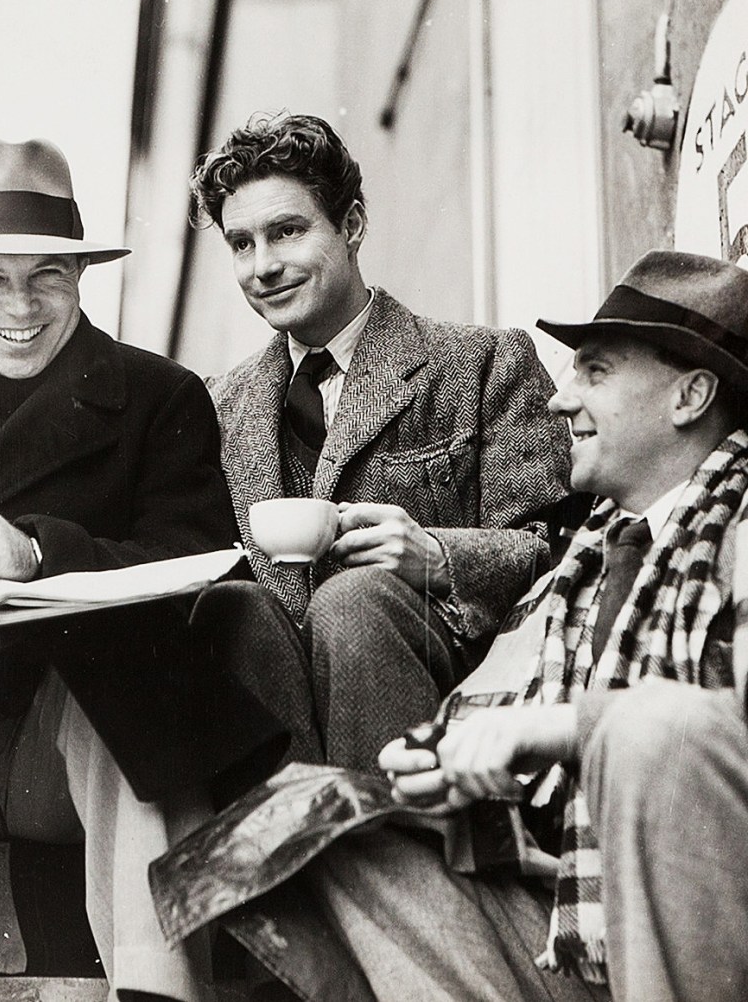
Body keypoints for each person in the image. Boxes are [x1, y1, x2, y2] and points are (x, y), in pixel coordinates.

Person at [210, 249, 748, 1002]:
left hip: (709, 926)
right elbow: (486, 705)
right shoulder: (588, 558)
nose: (563, 401)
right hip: (566, 920)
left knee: (646, 733)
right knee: (307, 833)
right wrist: (431, 755)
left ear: (690, 395)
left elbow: (709, 739)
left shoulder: (738, 531)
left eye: (595, 373)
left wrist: (567, 730)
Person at [0, 136, 286, 1002]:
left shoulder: (155, 396)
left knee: (123, 660)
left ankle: (154, 987)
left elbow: (200, 561)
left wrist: (36, 551)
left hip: (58, 758)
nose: (19, 306)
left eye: (47, 276)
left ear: (81, 278)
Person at [189, 112, 573, 770]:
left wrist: (437, 554)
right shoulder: (217, 407)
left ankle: (395, 860)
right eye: (242, 244)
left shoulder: (480, 362)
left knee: (354, 598)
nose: (264, 266)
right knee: (235, 609)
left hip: (449, 697)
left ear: (353, 226)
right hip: (286, 712)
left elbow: (559, 553)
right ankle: (288, 856)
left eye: (287, 231)